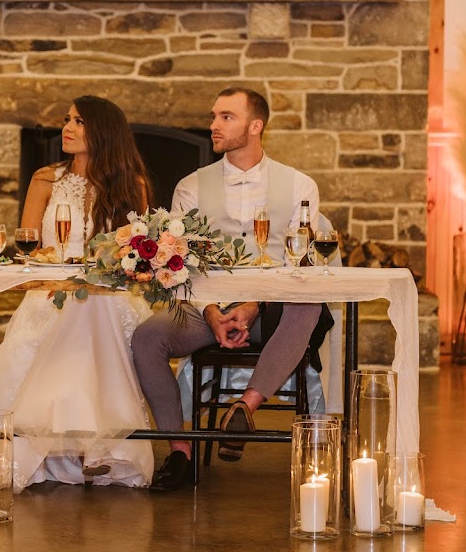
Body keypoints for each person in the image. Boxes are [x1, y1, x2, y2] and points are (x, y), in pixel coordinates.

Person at [130, 87, 331, 492]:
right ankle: (180, 452)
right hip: (205, 307)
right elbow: (180, 261)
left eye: (226, 117)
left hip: (273, 309)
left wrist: (254, 304)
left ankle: (243, 408)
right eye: (214, 116)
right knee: (147, 337)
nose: (213, 126)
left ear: (255, 126)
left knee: (308, 301)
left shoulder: (300, 185)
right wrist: (210, 311)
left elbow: (301, 262)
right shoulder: (190, 186)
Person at [0, 95, 155, 491]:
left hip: (111, 293)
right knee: (78, 310)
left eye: (79, 122)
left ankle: (92, 447)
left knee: (95, 308)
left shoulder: (132, 185)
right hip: (53, 288)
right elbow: (28, 244)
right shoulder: (45, 179)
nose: (67, 128)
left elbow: (139, 251)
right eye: (67, 120)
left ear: (103, 131)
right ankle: (83, 447)